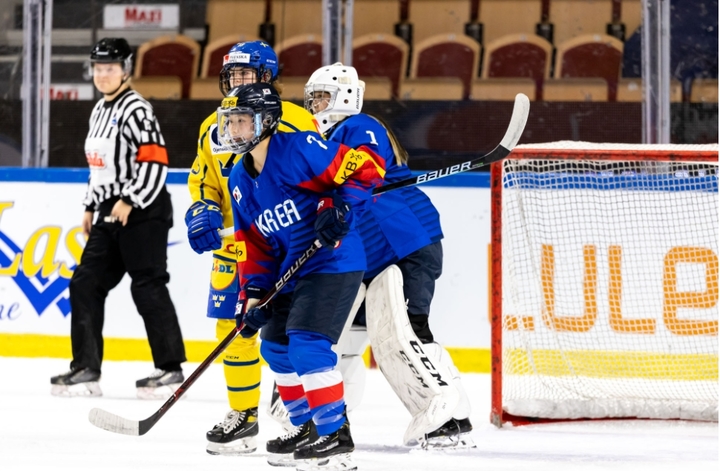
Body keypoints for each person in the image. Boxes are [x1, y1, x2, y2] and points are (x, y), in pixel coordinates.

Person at [304, 63, 474, 448]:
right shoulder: (323, 139)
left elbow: (364, 167)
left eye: (322, 97)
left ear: (346, 96)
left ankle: (447, 417)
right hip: (373, 257)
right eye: (312, 97)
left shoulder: (358, 125)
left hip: (404, 243)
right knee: (347, 335)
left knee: (408, 330)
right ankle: (332, 415)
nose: (315, 105)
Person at [221, 83, 385, 468]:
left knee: (307, 346)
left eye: (243, 121)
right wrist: (255, 294)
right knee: (274, 347)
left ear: (266, 122)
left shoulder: (299, 148)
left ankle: (335, 435)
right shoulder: (239, 181)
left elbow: (366, 167)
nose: (235, 130)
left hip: (333, 261)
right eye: (231, 122)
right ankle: (307, 426)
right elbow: (254, 244)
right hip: (290, 271)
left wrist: (339, 206)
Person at [185, 40, 319, 455]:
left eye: (245, 75)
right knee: (235, 328)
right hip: (238, 246)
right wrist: (202, 209)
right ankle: (244, 416)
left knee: (290, 331)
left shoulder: (295, 121)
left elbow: (318, 175)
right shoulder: (213, 125)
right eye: (231, 76)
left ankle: (309, 418)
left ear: (266, 78)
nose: (235, 83)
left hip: (286, 242)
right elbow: (204, 178)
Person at [50, 38, 186, 399]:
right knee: (85, 283)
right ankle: (86, 368)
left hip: (145, 209)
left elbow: (155, 161)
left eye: (109, 68)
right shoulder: (99, 110)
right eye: (97, 68)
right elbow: (99, 169)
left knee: (147, 285)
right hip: (110, 208)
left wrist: (130, 199)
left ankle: (171, 369)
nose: (102, 75)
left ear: (126, 69)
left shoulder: (137, 109)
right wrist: (90, 205)